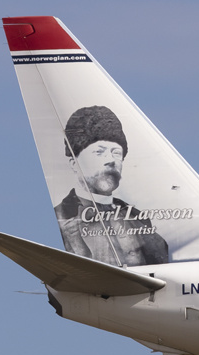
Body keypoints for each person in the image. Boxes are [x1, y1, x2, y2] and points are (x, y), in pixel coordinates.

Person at [52, 106, 169, 266]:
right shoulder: (62, 215)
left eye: (116, 153)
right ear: (74, 163)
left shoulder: (137, 217)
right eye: (99, 152)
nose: (111, 160)